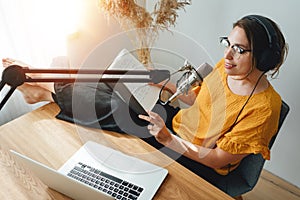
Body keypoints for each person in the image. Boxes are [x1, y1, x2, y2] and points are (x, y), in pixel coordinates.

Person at [2, 14, 288, 192]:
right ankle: (47, 89)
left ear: (262, 58)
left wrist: (167, 139)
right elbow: (195, 99)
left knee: (116, 109)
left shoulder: (264, 109)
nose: (227, 55)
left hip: (196, 158)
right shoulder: (228, 68)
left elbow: (217, 159)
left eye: (239, 50)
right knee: (118, 89)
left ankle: (43, 86)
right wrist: (158, 81)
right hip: (176, 125)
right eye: (227, 43)